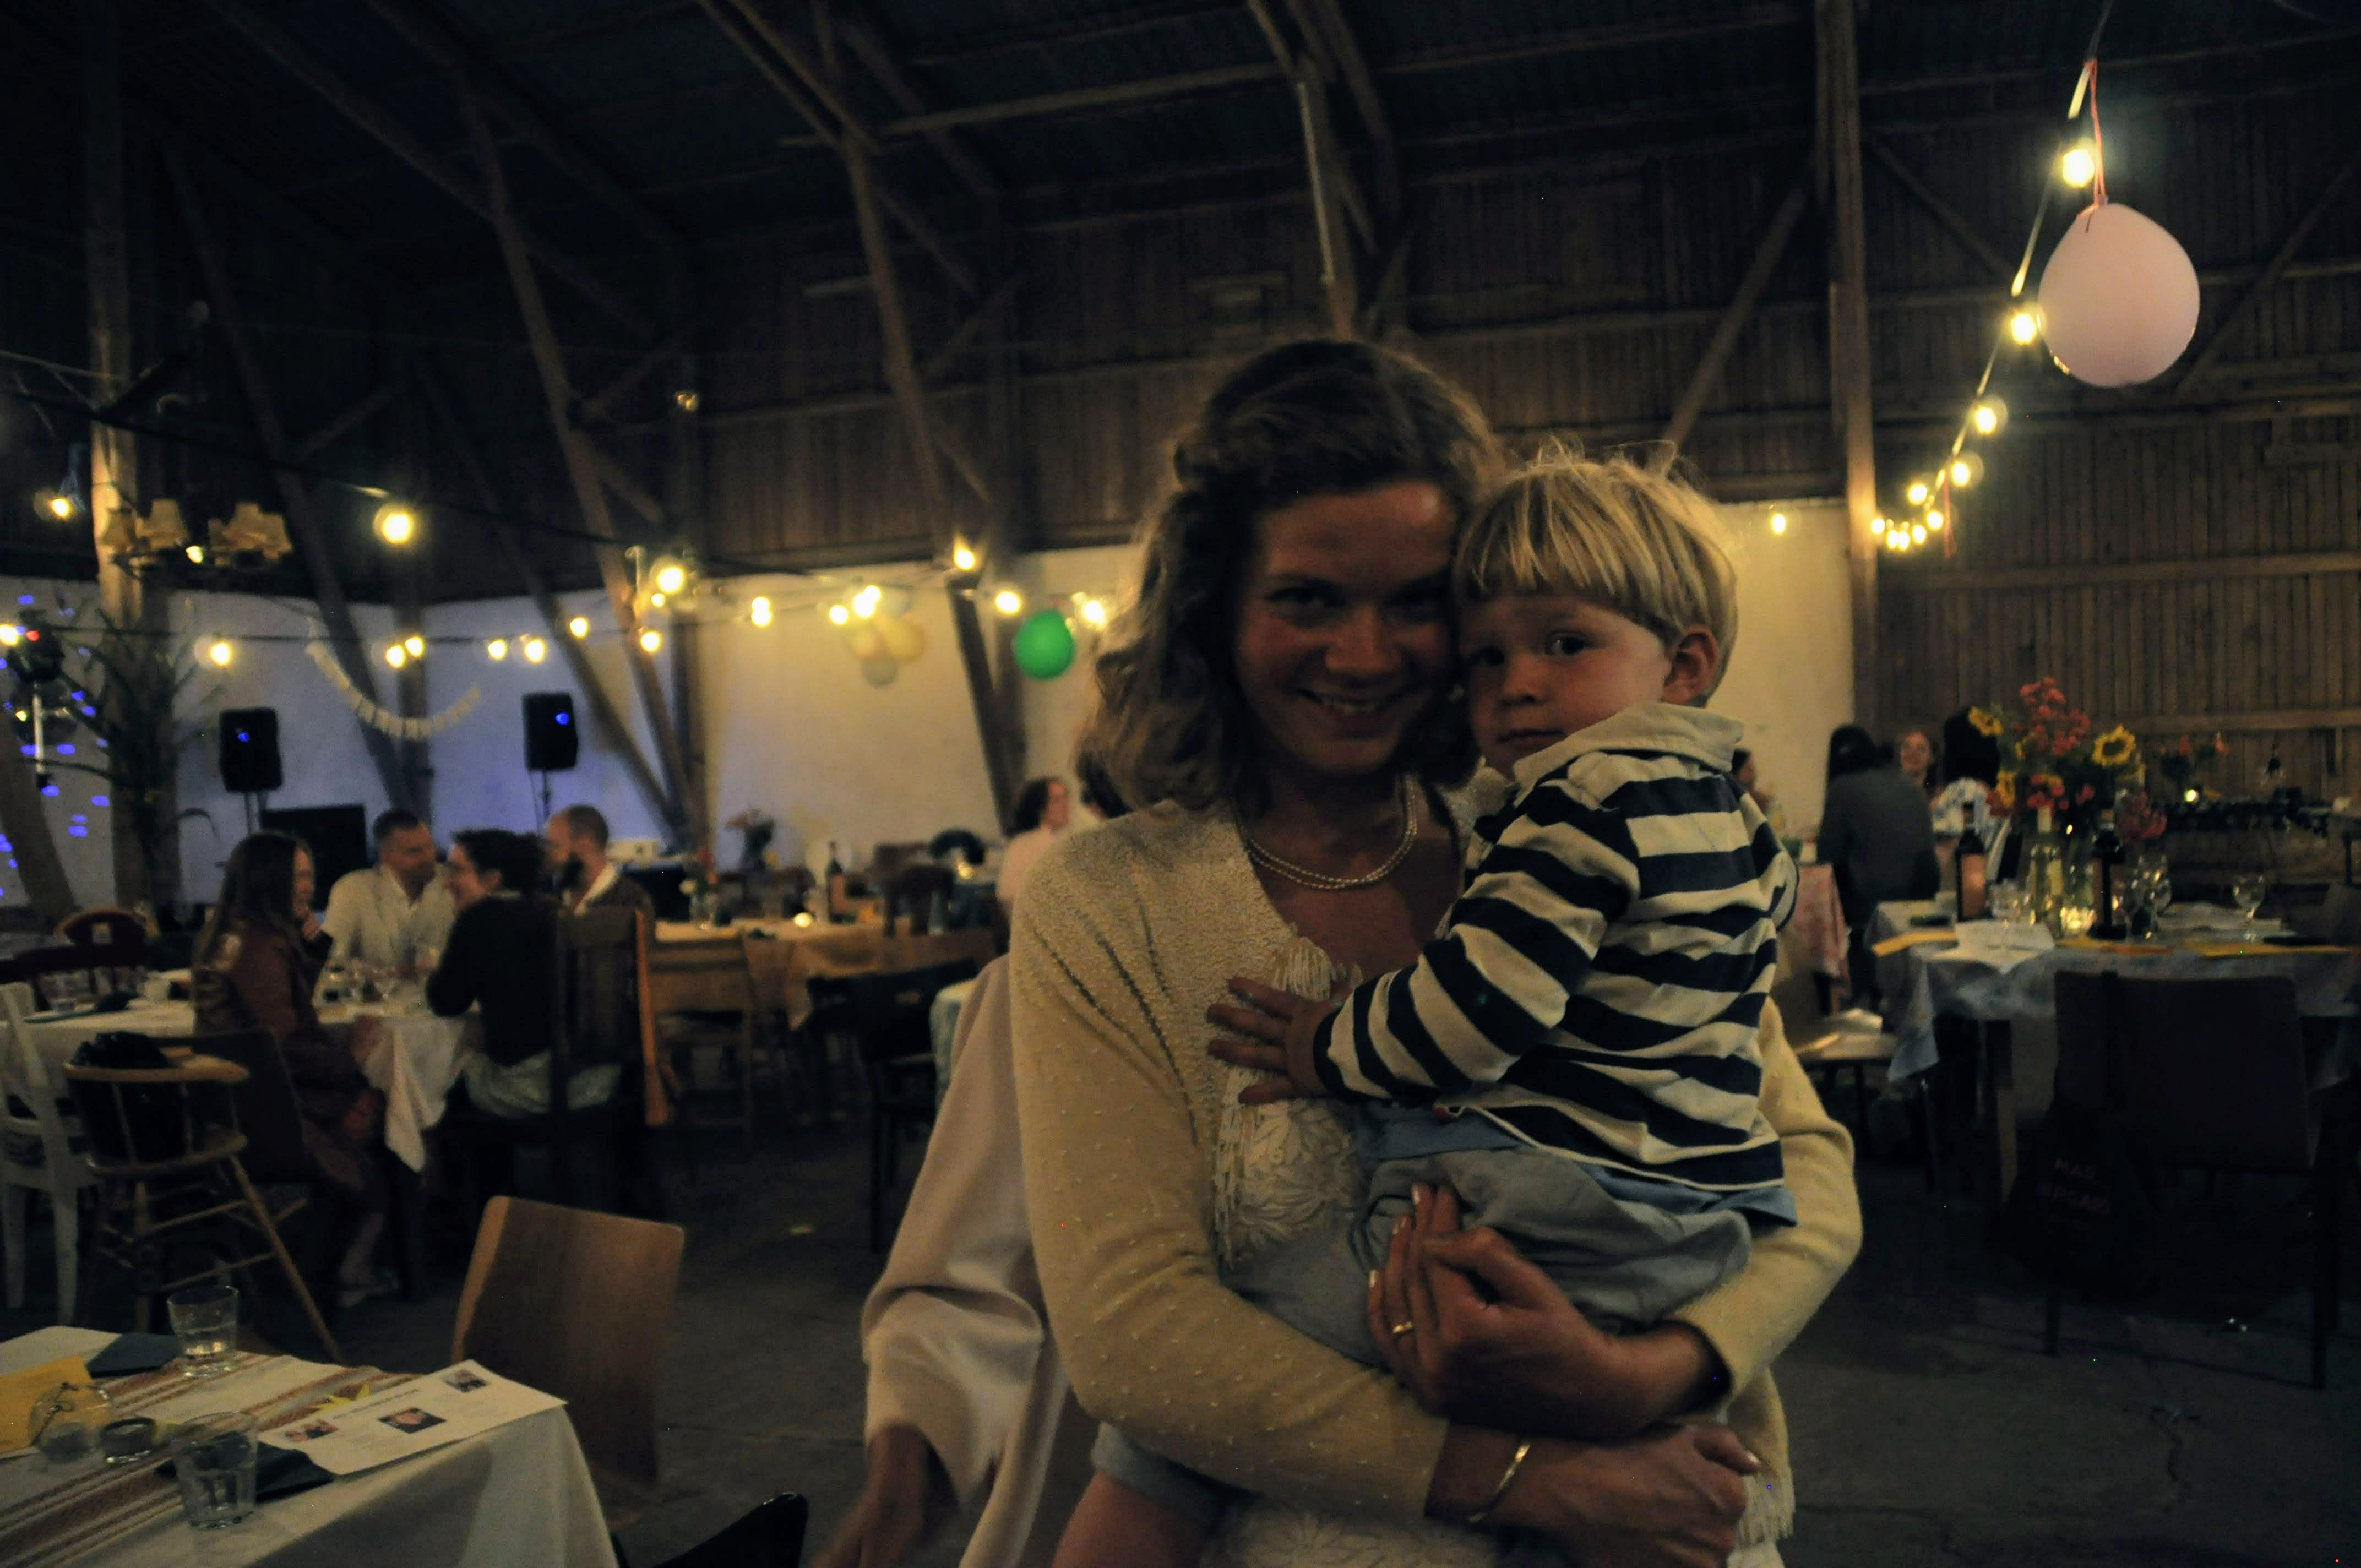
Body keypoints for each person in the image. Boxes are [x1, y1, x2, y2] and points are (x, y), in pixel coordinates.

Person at [1007, 339, 1861, 1568]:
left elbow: (1808, 1167)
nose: (1364, 655)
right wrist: (1535, 1476)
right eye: (1307, 598)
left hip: (1664, 1506)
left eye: (1414, 602)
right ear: (1215, 611)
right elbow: (1135, 1339)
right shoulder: (1111, 903)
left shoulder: (1551, 816)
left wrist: (1638, 1374)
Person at [194, 832, 392, 1307]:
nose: (309, 886)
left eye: (309, 875)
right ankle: (345, 1265)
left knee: (373, 1106)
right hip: (269, 1112)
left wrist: (312, 938)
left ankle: (319, 1259)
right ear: (270, 879)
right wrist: (350, 1058)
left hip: (232, 1103)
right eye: (299, 876)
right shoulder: (258, 947)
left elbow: (288, 1003)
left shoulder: (235, 934)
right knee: (386, 1111)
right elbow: (283, 1046)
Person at [428, 829, 614, 1121]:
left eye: (456, 871)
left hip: (534, 1087)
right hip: (597, 1078)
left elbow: (445, 1002)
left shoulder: (478, 921)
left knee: (441, 1087)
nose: (446, 882)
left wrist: (433, 971)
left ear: (492, 879)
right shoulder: (555, 910)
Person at [1817, 725, 1939, 998]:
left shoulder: (1842, 788)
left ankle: (1841, 998)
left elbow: (1827, 857)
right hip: (1921, 905)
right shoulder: (1908, 786)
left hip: (1873, 910)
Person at [322, 808, 456, 974]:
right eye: (415, 852)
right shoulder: (353, 890)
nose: (429, 857)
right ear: (386, 857)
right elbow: (333, 961)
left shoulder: (453, 885)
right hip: (375, 991)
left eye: (430, 846)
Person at [545, 803, 655, 919]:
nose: (549, 855)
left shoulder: (631, 902)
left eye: (555, 846)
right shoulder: (556, 895)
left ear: (585, 845)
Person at [994, 777, 1069, 906]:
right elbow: (1007, 892)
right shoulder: (1032, 843)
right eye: (1056, 801)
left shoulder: (1058, 838)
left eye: (1065, 798)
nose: (1065, 806)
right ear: (1041, 809)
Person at [1894, 725, 1938, 802]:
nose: (1912, 754)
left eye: (1921, 749)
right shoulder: (1885, 791)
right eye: (1907, 747)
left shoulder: (1939, 798)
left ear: (1932, 758)